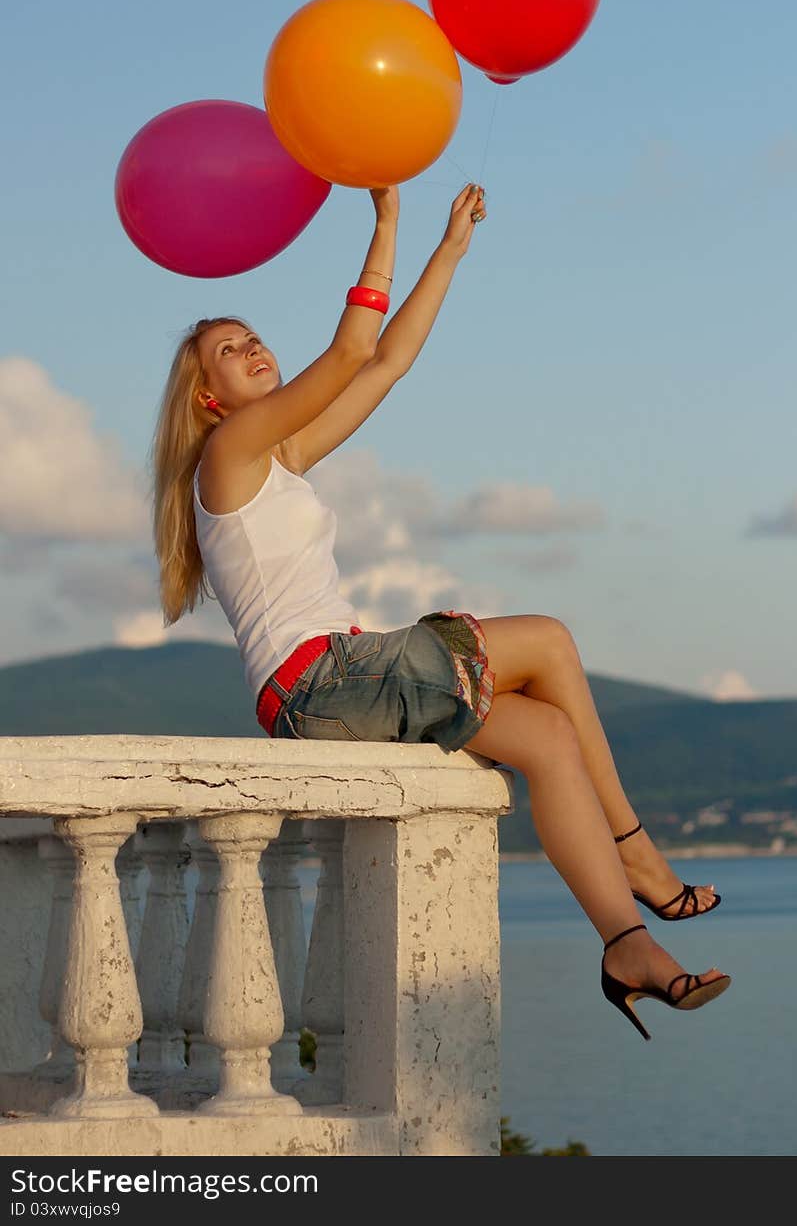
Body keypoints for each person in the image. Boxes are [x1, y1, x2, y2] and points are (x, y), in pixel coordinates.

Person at [151, 182, 730, 1040]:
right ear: (209, 398)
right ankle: (636, 850)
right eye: (231, 351)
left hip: (331, 684)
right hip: (323, 678)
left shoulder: (278, 457)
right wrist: (385, 222)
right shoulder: (228, 456)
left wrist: (449, 248)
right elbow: (349, 353)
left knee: (547, 737)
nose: (254, 348)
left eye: (253, 336)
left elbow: (385, 363)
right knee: (550, 641)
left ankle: (625, 943)